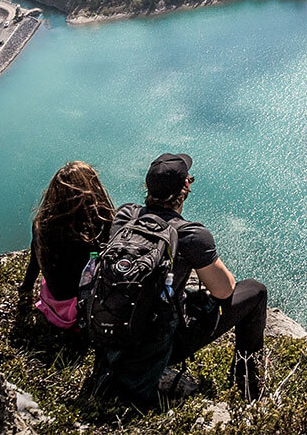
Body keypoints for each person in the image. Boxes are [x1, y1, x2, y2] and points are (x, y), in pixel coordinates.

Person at [89, 153, 268, 405]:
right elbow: (225, 291)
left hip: (111, 332)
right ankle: (247, 383)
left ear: (147, 186)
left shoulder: (125, 216)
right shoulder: (190, 234)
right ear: (186, 186)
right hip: (159, 344)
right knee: (255, 291)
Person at [19, 161, 115, 329]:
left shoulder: (42, 224)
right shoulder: (98, 226)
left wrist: (26, 289)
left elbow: (35, 260)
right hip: (84, 308)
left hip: (55, 304)